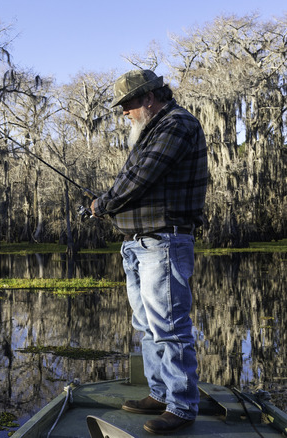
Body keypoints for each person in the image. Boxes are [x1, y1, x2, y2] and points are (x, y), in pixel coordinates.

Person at [91, 69, 208, 434]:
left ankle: (182, 406)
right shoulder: (152, 130)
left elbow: (141, 177)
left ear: (148, 98)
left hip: (164, 241)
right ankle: (159, 394)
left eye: (126, 105)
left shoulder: (176, 124)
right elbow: (134, 177)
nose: (123, 112)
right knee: (146, 325)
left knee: (170, 327)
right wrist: (107, 203)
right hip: (139, 244)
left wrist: (103, 203)